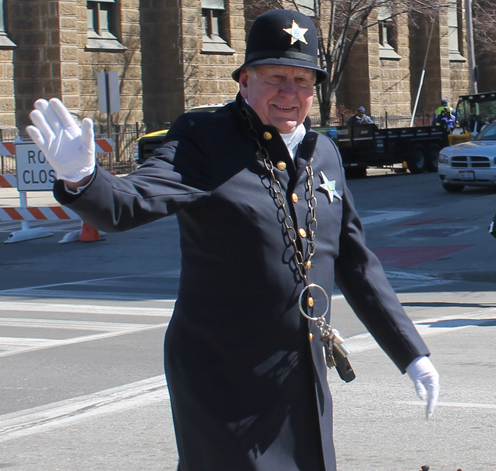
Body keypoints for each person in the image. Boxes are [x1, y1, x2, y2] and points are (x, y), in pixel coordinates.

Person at [26, 9, 439, 471]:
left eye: (303, 81)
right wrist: (84, 180)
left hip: (300, 371)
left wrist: (410, 352)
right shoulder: (205, 140)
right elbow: (130, 203)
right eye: (275, 77)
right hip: (222, 377)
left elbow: (355, 261)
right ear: (244, 81)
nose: (290, 93)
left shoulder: (322, 152)